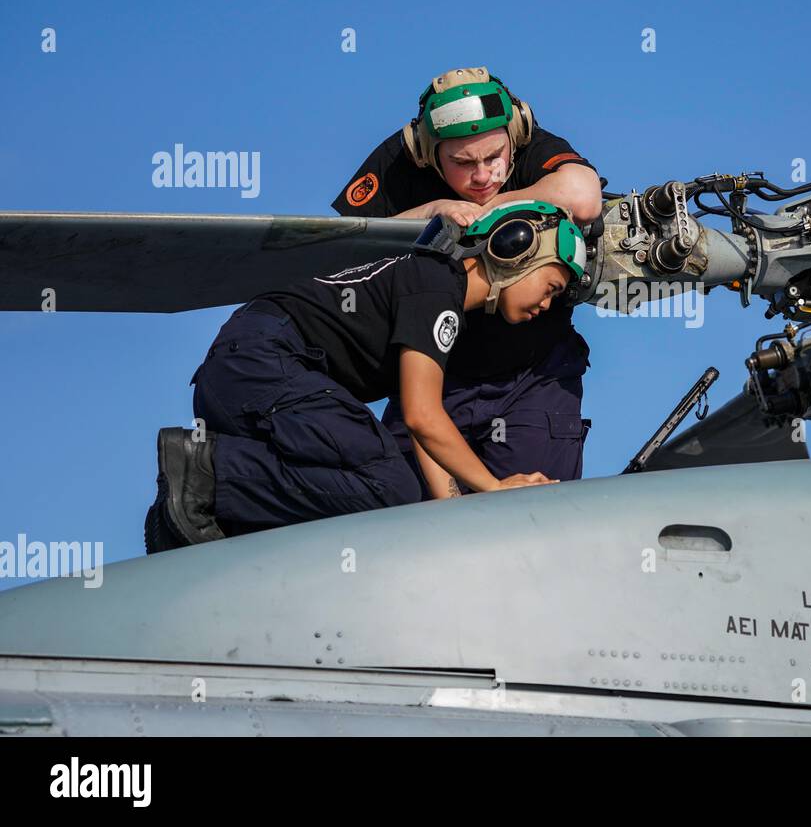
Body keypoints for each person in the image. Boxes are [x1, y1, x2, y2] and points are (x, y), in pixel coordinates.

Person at [144, 202, 588, 552]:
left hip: (250, 374)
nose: (547, 305)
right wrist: (494, 489)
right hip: (263, 364)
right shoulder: (436, 287)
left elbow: (425, 429)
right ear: (514, 251)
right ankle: (208, 472)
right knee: (389, 483)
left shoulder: (438, 296)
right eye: (550, 287)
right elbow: (420, 416)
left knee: (394, 487)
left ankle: (215, 512)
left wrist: (452, 510)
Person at [331, 67, 602, 495]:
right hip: (431, 372)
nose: (483, 176)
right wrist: (432, 211)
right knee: (405, 520)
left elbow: (584, 198)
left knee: (533, 517)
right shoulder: (398, 164)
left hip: (532, 379)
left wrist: (492, 207)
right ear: (427, 153)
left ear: (515, 134)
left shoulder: (532, 147)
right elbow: (347, 252)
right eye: (462, 163)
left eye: (495, 156)